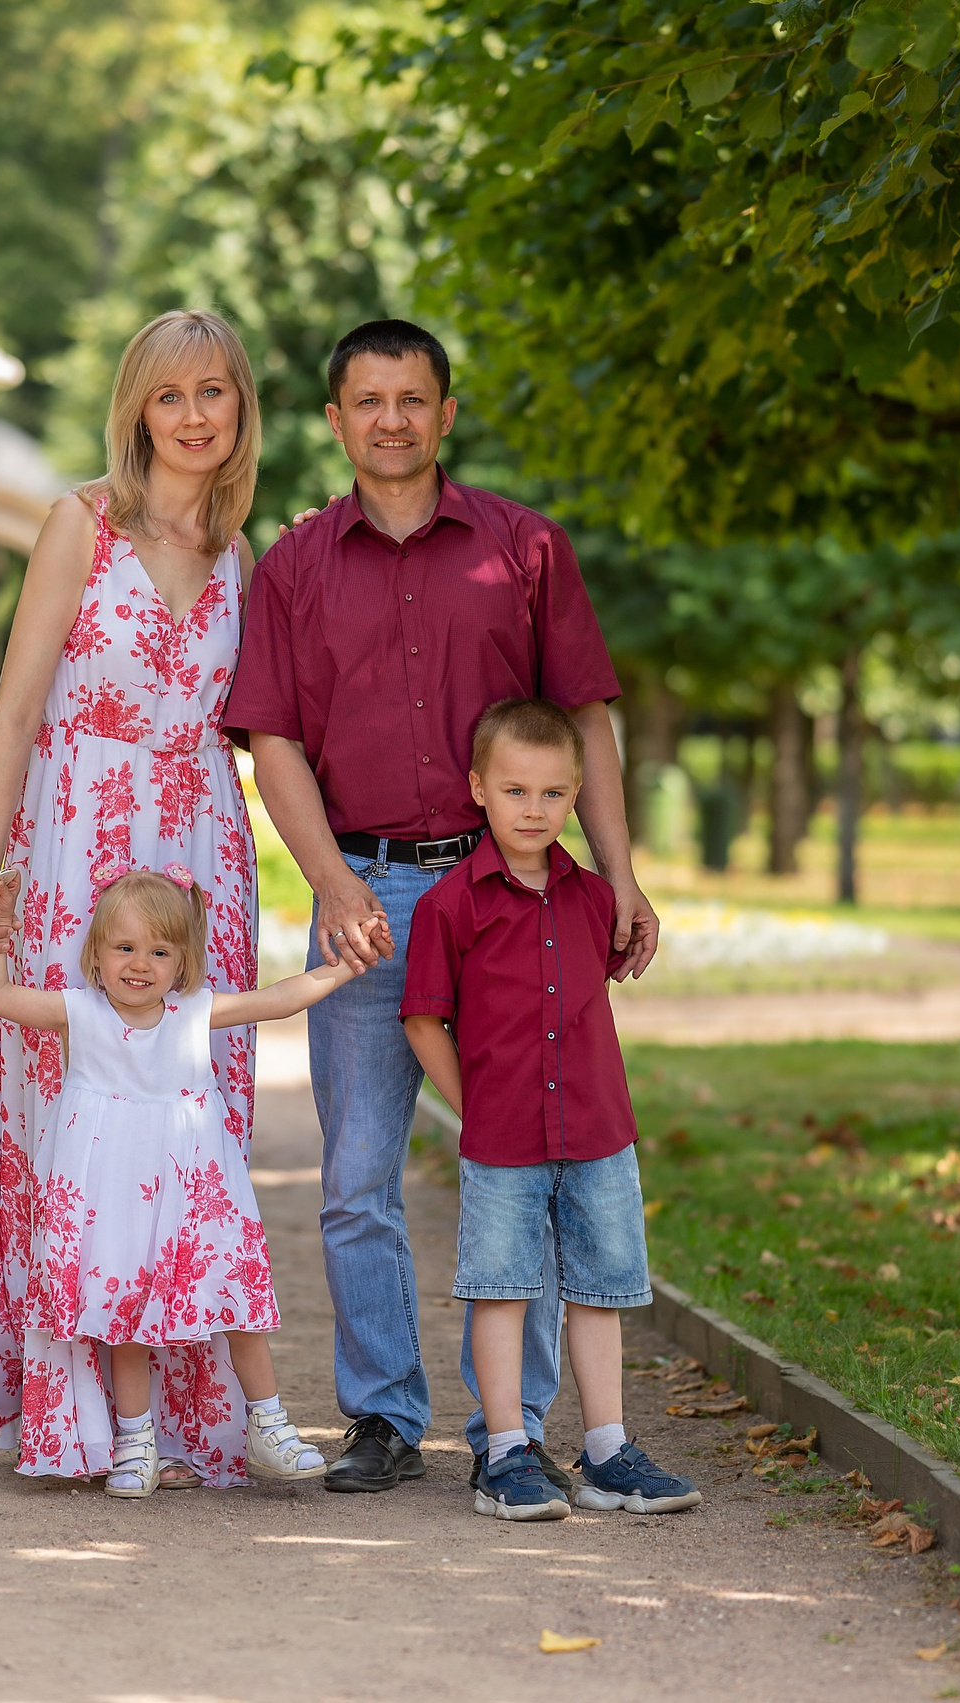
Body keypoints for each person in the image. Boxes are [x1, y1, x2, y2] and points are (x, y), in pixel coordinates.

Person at [224, 318, 661, 1494]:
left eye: (412, 398)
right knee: (358, 1173)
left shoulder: (523, 552)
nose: (391, 420)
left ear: (446, 412)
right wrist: (331, 881)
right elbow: (274, 745)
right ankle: (380, 1415)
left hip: (504, 895)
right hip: (360, 893)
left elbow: (586, 725)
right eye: (367, 401)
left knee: (525, 1156)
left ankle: (512, 1433)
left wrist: (616, 872)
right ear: (335, 420)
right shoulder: (295, 565)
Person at [0, 310, 267, 1487]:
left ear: (241, 408)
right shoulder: (79, 524)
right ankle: (78, 1413)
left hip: (204, 853)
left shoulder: (243, 550)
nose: (194, 416)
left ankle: (191, 1421)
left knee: (196, 1124)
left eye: (214, 393)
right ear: (137, 409)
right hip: (79, 839)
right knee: (78, 1120)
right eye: (169, 395)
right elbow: (17, 707)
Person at [400, 699, 700, 1521]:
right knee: (501, 1287)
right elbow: (425, 1018)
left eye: (553, 794)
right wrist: (475, 1108)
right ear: (478, 789)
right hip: (503, 1142)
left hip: (600, 1131)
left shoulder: (596, 900)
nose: (534, 810)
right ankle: (505, 1453)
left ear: (576, 796)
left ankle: (606, 1452)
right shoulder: (449, 906)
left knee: (601, 1288)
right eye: (516, 790)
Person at [0, 868, 350, 1494]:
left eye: (159, 951)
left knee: (234, 1298)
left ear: (183, 961)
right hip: (112, 1192)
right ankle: (136, 1439)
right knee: (125, 1311)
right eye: (124, 948)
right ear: (96, 953)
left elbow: (279, 999)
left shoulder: (194, 1012)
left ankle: (267, 1420)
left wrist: (342, 969)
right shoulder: (82, 1012)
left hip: (193, 1187)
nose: (140, 964)